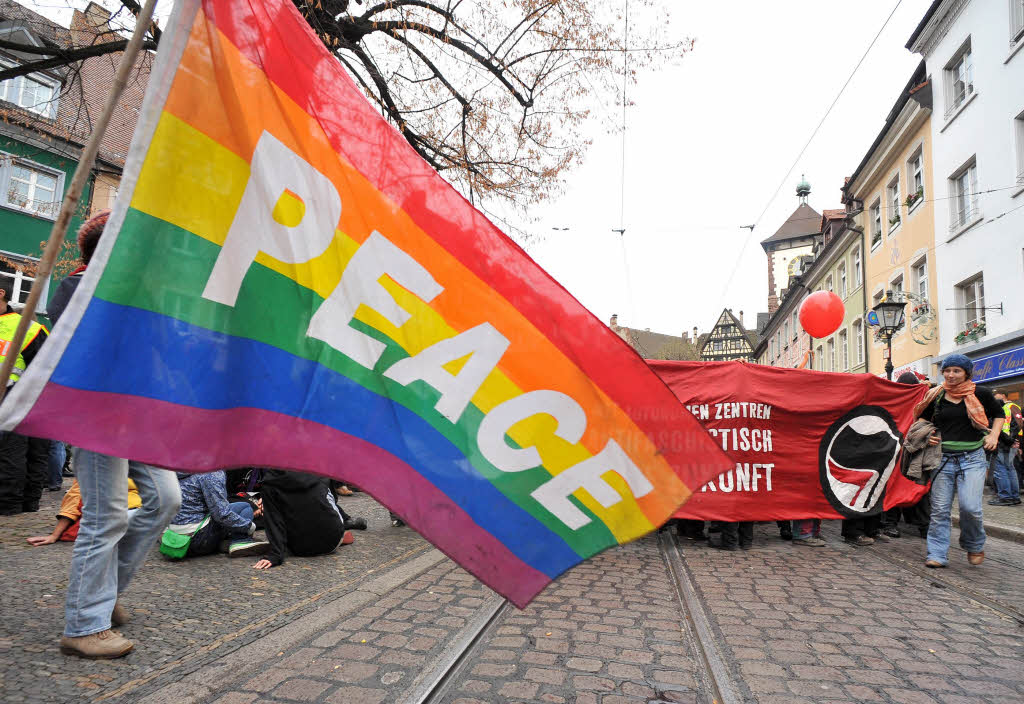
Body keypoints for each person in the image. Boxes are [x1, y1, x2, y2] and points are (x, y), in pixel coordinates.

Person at [48, 210, 182, 659]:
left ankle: (105, 595)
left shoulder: (140, 293)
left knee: (166, 499)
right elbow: (83, 351)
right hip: (97, 414)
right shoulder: (77, 286)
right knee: (107, 516)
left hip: (137, 416)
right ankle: (84, 624)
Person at [915, 354, 1005, 568]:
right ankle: (936, 553)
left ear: (966, 373)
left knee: (970, 507)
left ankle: (974, 544)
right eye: (947, 370)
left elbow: (999, 414)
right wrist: (926, 434)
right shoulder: (935, 394)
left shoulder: (980, 393)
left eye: (956, 371)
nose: (951, 374)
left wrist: (993, 435)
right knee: (939, 509)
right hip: (942, 458)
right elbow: (921, 419)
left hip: (972, 458)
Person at [0, 281, 50, 515]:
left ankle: (12, 504)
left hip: (16, 395)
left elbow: (45, 368)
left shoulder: (29, 328)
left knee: (14, 452)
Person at [252, 470, 353, 569]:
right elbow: (330, 501)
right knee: (325, 496)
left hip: (300, 548)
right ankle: (343, 526)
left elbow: (274, 521)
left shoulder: (269, 483)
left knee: (276, 506)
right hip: (332, 539)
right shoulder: (317, 471)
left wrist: (275, 555)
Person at [167, 470, 269, 558]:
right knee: (245, 508)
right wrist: (249, 526)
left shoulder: (177, 469)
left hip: (171, 535)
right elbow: (221, 515)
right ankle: (240, 541)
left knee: (240, 506)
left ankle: (222, 542)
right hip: (196, 539)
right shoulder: (212, 472)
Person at [882, 372, 932, 538]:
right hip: (913, 450)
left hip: (899, 449)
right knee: (918, 487)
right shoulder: (923, 399)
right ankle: (925, 527)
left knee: (895, 486)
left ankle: (891, 524)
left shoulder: (894, 400)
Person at [26, 479, 142, 546]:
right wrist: (54, 535)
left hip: (139, 513)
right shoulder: (95, 460)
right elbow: (75, 498)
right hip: (119, 515)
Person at [989, 391, 1022, 506]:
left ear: (1003, 396)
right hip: (1008, 442)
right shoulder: (1006, 407)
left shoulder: (1009, 407)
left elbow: (1018, 424)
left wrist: (1010, 439)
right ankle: (1013, 496)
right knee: (1010, 469)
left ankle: (1006, 496)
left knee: (1001, 470)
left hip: (1004, 443)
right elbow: (1016, 425)